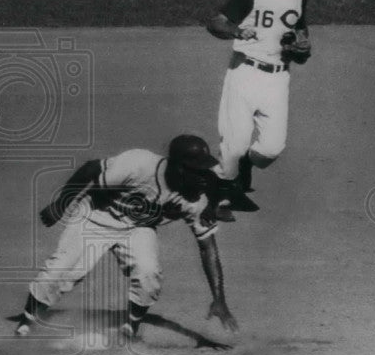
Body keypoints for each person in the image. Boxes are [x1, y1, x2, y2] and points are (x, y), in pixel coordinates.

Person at [13, 134, 238, 340]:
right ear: (178, 167)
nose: (201, 177)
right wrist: (62, 202)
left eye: (203, 170)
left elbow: (208, 247)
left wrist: (219, 298)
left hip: (137, 228)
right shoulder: (139, 164)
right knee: (63, 268)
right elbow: (91, 168)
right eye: (196, 170)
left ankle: (132, 326)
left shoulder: (195, 200)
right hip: (95, 216)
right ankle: (27, 320)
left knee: (149, 273)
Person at [206, 0, 312, 220]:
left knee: (271, 148)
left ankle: (243, 168)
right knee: (235, 144)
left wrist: (302, 49)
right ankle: (220, 198)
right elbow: (216, 23)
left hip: (277, 79)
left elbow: (301, 35)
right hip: (244, 73)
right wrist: (237, 31)